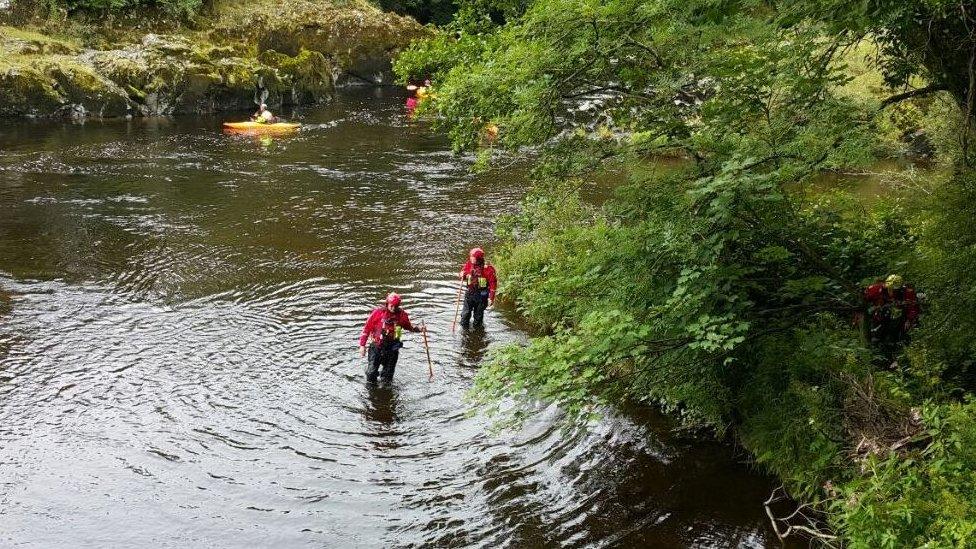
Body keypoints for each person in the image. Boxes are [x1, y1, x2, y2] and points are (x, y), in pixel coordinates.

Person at [358, 292, 423, 383]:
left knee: (387, 379)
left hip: (392, 348)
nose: (393, 308)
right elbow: (366, 329)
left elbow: (409, 327)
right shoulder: (378, 312)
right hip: (377, 347)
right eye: (391, 305)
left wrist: (419, 329)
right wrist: (362, 345)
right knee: (371, 374)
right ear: (387, 303)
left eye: (396, 306)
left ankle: (385, 392)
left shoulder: (402, 315)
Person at [864, 274, 921, 355]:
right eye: (891, 289)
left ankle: (898, 345)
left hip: (900, 319)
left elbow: (913, 308)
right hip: (880, 317)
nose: (893, 291)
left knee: (903, 332)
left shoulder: (907, 293)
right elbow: (864, 297)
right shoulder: (876, 289)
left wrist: (909, 320)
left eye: (895, 290)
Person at [459, 247, 497, 329]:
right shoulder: (469, 264)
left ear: (478, 258)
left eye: (472, 256)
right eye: (471, 256)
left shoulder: (488, 269)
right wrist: (463, 274)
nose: (470, 258)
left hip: (482, 296)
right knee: (465, 315)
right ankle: (464, 333)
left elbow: (493, 284)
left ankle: (478, 333)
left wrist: (491, 298)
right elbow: (463, 272)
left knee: (478, 318)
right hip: (470, 293)